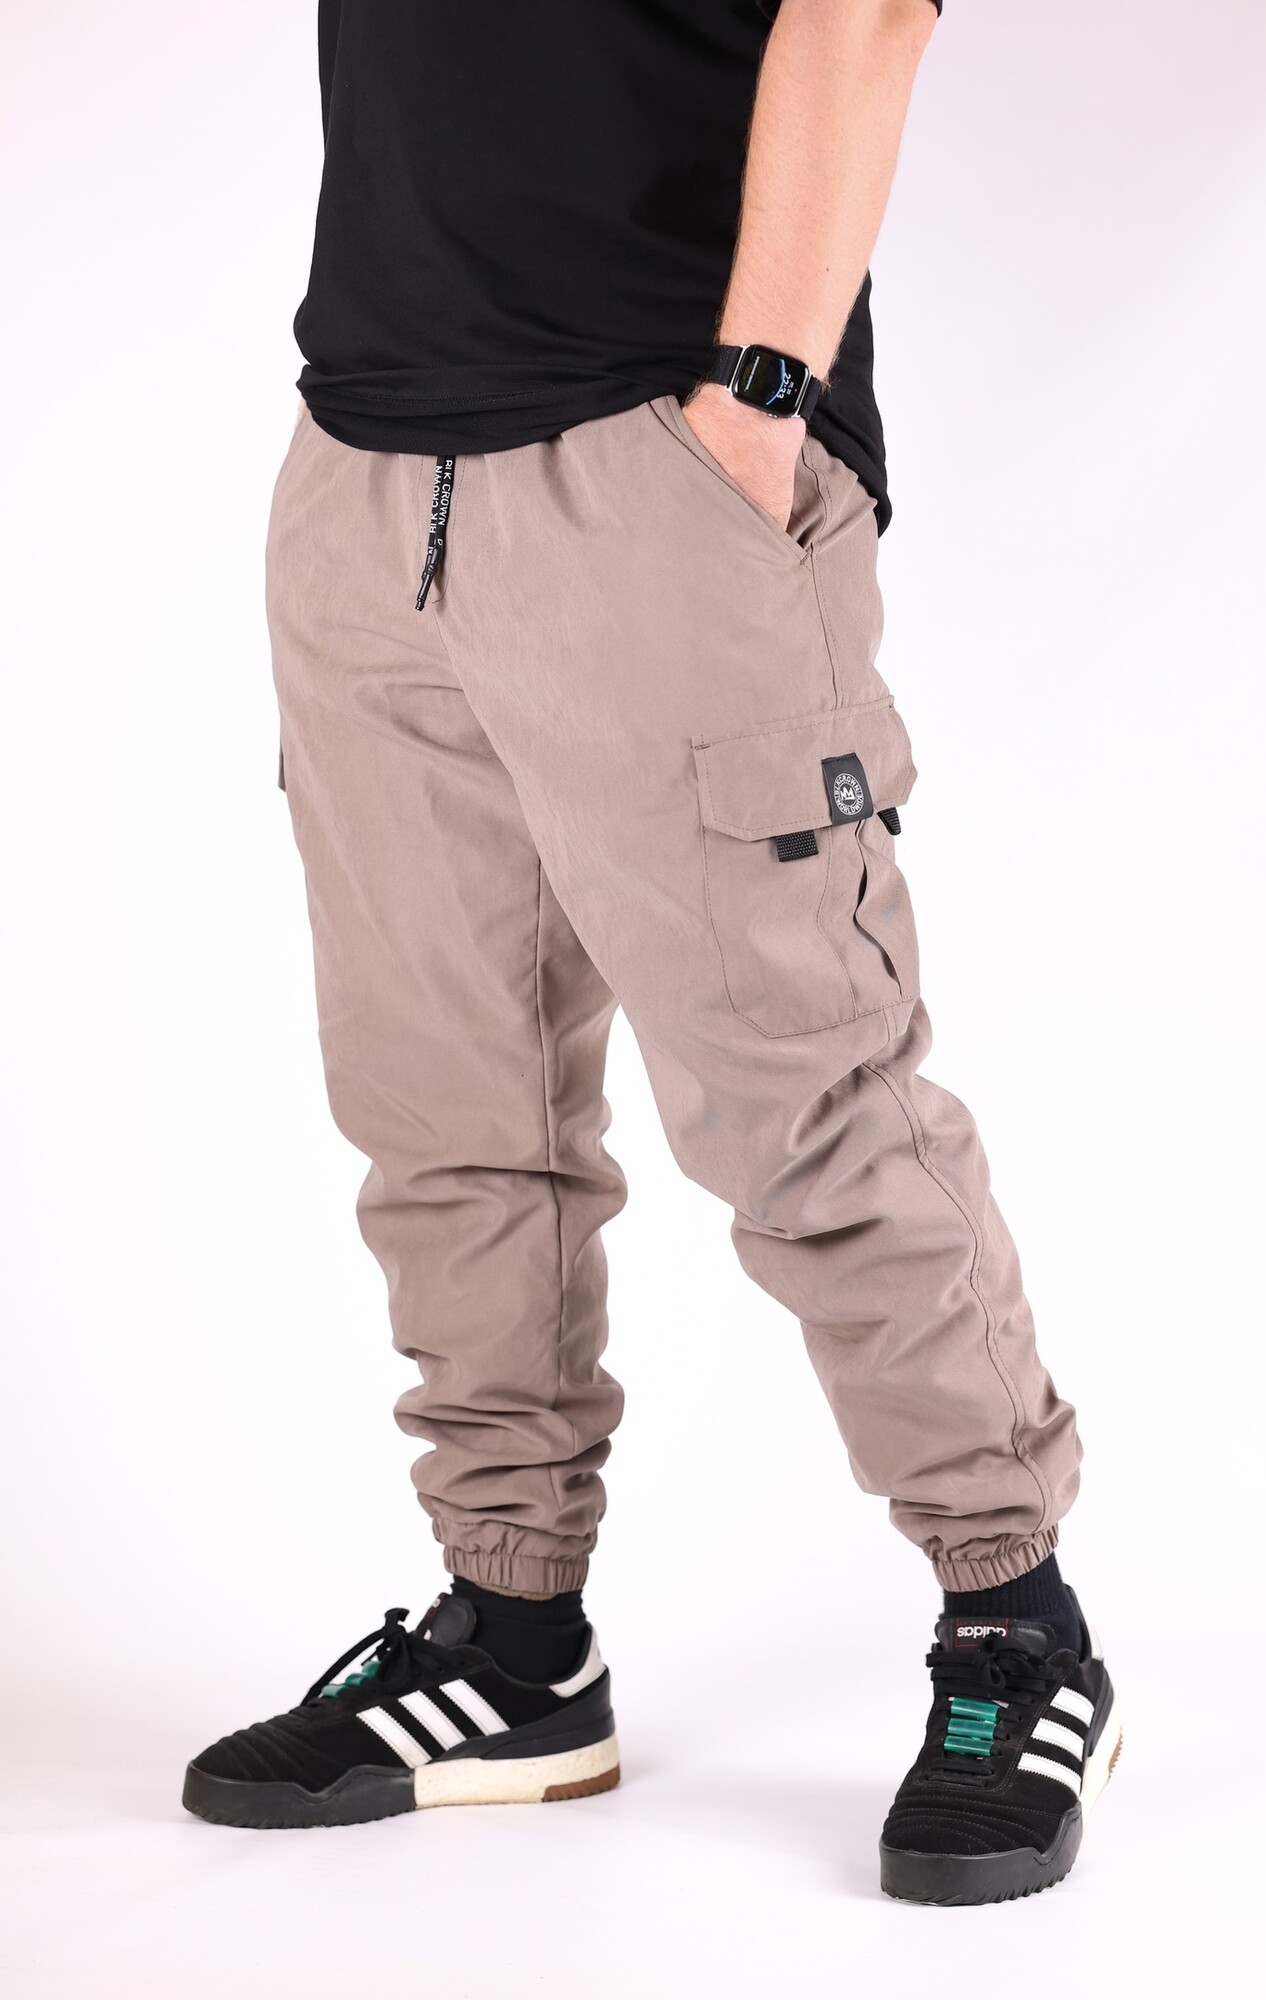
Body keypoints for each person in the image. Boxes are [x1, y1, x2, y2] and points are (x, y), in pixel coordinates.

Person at [183, 1, 1120, 1904]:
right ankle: (514, 1642)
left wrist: (756, 401)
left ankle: (1015, 1625)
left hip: (664, 449)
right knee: (445, 1108)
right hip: (367, 461)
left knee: (802, 1099)